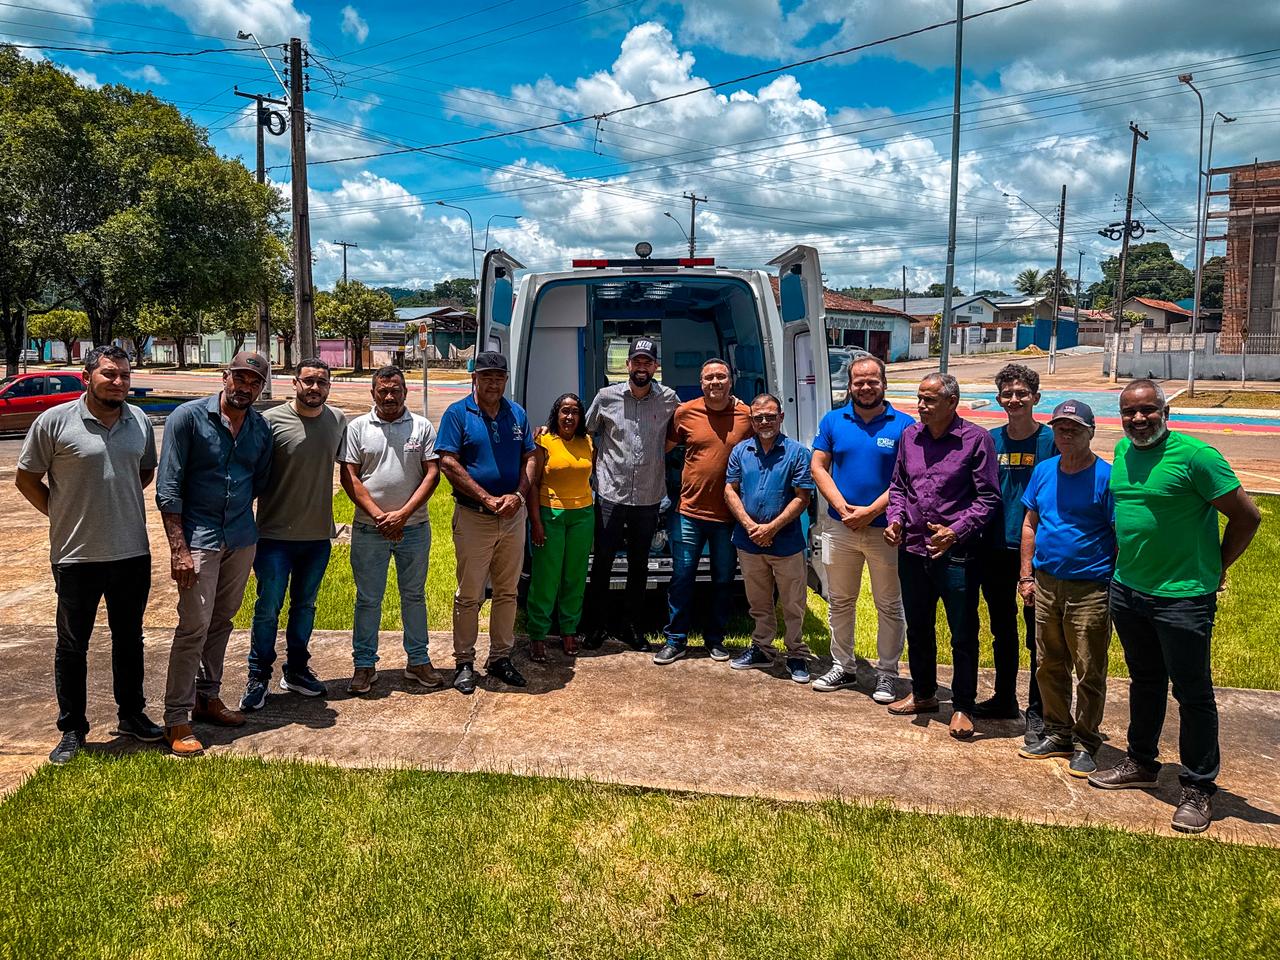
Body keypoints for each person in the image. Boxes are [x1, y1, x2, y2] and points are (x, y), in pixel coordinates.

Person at [1088, 379, 1260, 835]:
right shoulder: (1123, 452)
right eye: (1129, 412)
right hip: (1129, 589)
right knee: (1145, 681)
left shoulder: (1196, 457)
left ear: (1165, 412)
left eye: (1147, 410)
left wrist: (1217, 566)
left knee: (1192, 692)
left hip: (1183, 596)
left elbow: (1247, 516)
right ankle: (1141, 762)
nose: (1138, 419)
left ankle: (1198, 786)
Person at [16, 346, 161, 764]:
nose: (118, 382)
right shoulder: (54, 421)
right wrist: (60, 511)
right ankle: (72, 729)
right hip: (75, 556)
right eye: (109, 374)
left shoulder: (139, 421)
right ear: (87, 377)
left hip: (131, 552)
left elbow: (144, 471)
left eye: (125, 375)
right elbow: (26, 479)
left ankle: (131, 714)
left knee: (129, 639)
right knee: (72, 645)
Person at [156, 351, 273, 757]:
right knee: (194, 625)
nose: (245, 387)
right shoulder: (187, 418)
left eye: (254, 382)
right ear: (225, 376)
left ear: (261, 388)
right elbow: (168, 487)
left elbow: (258, 481)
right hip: (198, 538)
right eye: (239, 378)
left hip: (240, 537)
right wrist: (178, 549)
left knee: (222, 621)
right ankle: (176, 716)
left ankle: (208, 697)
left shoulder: (259, 427)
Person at [884, 373, 1000, 740]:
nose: (921, 406)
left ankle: (963, 705)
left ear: (952, 402)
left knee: (962, 631)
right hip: (913, 549)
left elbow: (988, 498)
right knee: (918, 626)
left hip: (956, 554)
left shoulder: (975, 440)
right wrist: (895, 519)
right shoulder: (909, 437)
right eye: (919, 398)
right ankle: (923, 693)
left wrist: (955, 531)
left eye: (929, 400)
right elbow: (899, 487)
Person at [239, 359, 347, 711]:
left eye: (321, 382)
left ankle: (297, 670)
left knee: (305, 607)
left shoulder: (337, 421)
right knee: (268, 609)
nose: (314, 387)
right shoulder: (269, 421)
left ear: (328, 386)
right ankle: (258, 676)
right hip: (273, 538)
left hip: (317, 538)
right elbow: (248, 473)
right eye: (308, 381)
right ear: (294, 383)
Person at [1017, 400, 1116, 777]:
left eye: (1074, 428)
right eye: (1060, 428)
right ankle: (1057, 732)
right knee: (1048, 662)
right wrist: (1026, 575)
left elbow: (1119, 534)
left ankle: (1086, 741)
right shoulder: (1044, 471)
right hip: (1046, 583)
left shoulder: (1106, 477)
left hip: (1090, 587)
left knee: (1089, 667)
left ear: (1091, 432)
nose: (1066, 434)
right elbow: (1030, 524)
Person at [809, 352, 911, 702]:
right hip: (840, 528)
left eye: (872, 381)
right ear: (850, 386)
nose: (866, 387)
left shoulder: (904, 425)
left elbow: (907, 477)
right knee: (840, 601)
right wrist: (842, 508)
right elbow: (818, 467)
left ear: (884, 383)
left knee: (889, 604)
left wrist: (869, 512)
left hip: (886, 531)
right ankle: (843, 666)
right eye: (859, 382)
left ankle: (887, 673)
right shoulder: (833, 421)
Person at [437, 351, 536, 695]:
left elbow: (530, 457)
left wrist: (519, 496)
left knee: (508, 591)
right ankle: (464, 662)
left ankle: (500, 658)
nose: (493, 383)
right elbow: (448, 462)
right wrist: (486, 498)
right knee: (470, 593)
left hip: (512, 517)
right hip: (474, 517)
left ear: (505, 379)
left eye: (499, 377)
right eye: (486, 377)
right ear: (474, 378)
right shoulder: (457, 414)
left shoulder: (517, 413)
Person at [339, 366, 440, 695]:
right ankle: (364, 665)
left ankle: (418, 661)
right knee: (368, 599)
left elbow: (432, 474)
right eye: (382, 390)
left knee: (414, 596)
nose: (389, 396)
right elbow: (349, 477)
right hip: (370, 529)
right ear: (373, 393)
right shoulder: (357, 428)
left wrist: (403, 515)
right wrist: (381, 517)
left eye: (395, 390)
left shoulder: (422, 426)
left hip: (415, 528)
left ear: (405, 392)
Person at [977, 363, 1058, 738]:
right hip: (996, 545)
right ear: (998, 399)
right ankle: (1004, 697)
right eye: (1007, 394)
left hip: (1038, 549)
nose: (1014, 399)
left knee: (1038, 633)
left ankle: (1039, 710)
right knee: (1002, 628)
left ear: (1035, 398)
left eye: (1022, 393)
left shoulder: (1051, 441)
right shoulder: (990, 440)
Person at [582, 337, 679, 651]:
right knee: (602, 563)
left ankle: (631, 627)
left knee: (640, 565)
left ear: (655, 366)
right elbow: (586, 433)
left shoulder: (669, 399)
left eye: (647, 362)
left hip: (649, 496)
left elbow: (683, 430)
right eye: (636, 361)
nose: (641, 367)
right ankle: (596, 626)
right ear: (627, 365)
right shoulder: (606, 397)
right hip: (611, 494)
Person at [655, 358, 753, 665]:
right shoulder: (685, 412)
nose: (715, 382)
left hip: (728, 515)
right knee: (681, 578)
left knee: (723, 581)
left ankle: (715, 639)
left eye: (720, 377)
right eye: (709, 378)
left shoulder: (747, 415)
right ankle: (675, 640)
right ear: (701, 383)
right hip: (689, 511)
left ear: (730, 381)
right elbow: (662, 449)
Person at [723, 393, 815, 683]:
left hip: (786, 543)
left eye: (770, 416)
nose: (764, 421)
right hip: (749, 541)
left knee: (793, 603)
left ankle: (796, 653)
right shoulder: (740, 451)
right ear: (751, 420)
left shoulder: (797, 453)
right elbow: (730, 490)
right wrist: (751, 526)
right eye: (759, 417)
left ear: (781, 417)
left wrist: (771, 528)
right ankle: (763, 648)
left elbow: (802, 497)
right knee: (758, 602)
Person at [526, 393, 594, 660]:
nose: (569, 416)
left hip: (582, 516)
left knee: (574, 577)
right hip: (550, 514)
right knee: (546, 577)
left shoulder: (587, 441)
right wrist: (536, 522)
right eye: (565, 411)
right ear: (556, 413)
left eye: (575, 412)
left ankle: (569, 630)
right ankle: (537, 634)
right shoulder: (543, 440)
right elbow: (533, 484)